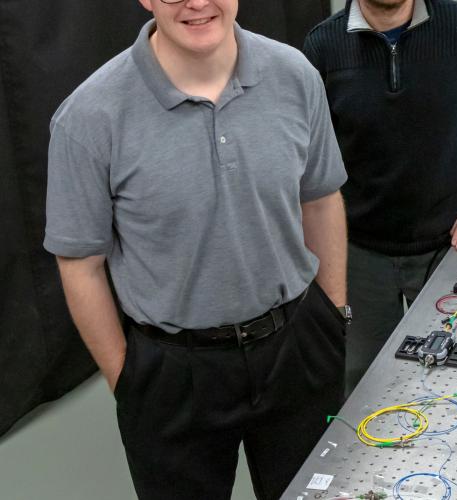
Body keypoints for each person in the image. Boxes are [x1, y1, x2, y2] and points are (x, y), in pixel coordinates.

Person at [44, 0, 348, 498]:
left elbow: (319, 197)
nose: (198, 3)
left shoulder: (295, 75)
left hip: (297, 350)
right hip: (172, 376)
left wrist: (332, 315)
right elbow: (80, 265)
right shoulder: (89, 117)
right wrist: (128, 382)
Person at [303, 0, 457, 393]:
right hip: (360, 255)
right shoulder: (323, 47)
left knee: (454, 382)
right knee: (362, 382)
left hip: (450, 246)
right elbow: (309, 157)